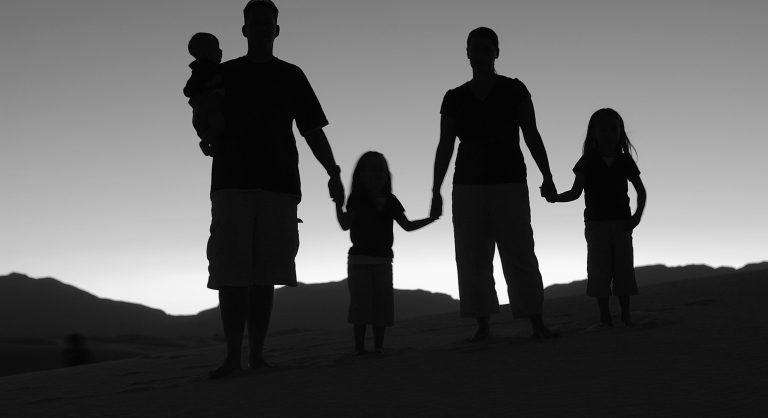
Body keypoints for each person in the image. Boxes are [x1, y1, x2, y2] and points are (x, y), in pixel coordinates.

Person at [205, 0, 345, 378]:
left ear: (277, 29)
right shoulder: (225, 74)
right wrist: (206, 137)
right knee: (232, 274)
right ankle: (234, 356)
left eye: (268, 22)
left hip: (279, 185)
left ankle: (257, 356)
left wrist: (332, 170)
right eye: (256, 22)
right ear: (245, 29)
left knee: (265, 274)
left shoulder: (291, 76)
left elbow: (312, 129)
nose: (262, 27)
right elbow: (205, 116)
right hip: (232, 183)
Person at [430, 27, 559, 341]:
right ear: (468, 53)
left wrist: (548, 175)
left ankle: (536, 321)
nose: (481, 53)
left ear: (496, 52)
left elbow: (531, 133)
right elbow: (445, 144)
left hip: (509, 182)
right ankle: (483, 325)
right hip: (467, 186)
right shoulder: (454, 98)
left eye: (487, 48)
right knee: (473, 256)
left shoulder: (514, 90)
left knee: (519, 252)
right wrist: (435, 190)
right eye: (476, 48)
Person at [547, 108, 647, 327]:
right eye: (603, 130)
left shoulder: (625, 161)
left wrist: (637, 217)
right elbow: (575, 192)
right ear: (593, 134)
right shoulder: (588, 161)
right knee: (599, 270)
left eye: (614, 129)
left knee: (623, 269)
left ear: (620, 132)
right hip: (596, 225)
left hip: (622, 224)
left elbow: (641, 191)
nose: (609, 134)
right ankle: (605, 316)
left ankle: (626, 315)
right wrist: (555, 198)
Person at [335, 152, 438, 355]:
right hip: (360, 261)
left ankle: (378, 347)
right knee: (362, 305)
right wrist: (338, 204)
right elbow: (346, 224)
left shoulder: (390, 201)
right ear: (362, 174)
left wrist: (431, 218)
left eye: (381, 169)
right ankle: (360, 348)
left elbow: (407, 226)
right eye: (372, 169)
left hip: (383, 261)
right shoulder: (357, 198)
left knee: (381, 304)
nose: (377, 173)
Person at [183, 32, 225, 156]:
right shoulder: (202, 69)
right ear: (204, 53)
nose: (221, 51)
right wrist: (209, 83)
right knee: (218, 126)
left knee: (218, 126)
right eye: (216, 48)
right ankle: (205, 142)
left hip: (212, 105)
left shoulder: (211, 68)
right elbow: (188, 90)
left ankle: (208, 141)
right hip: (210, 105)